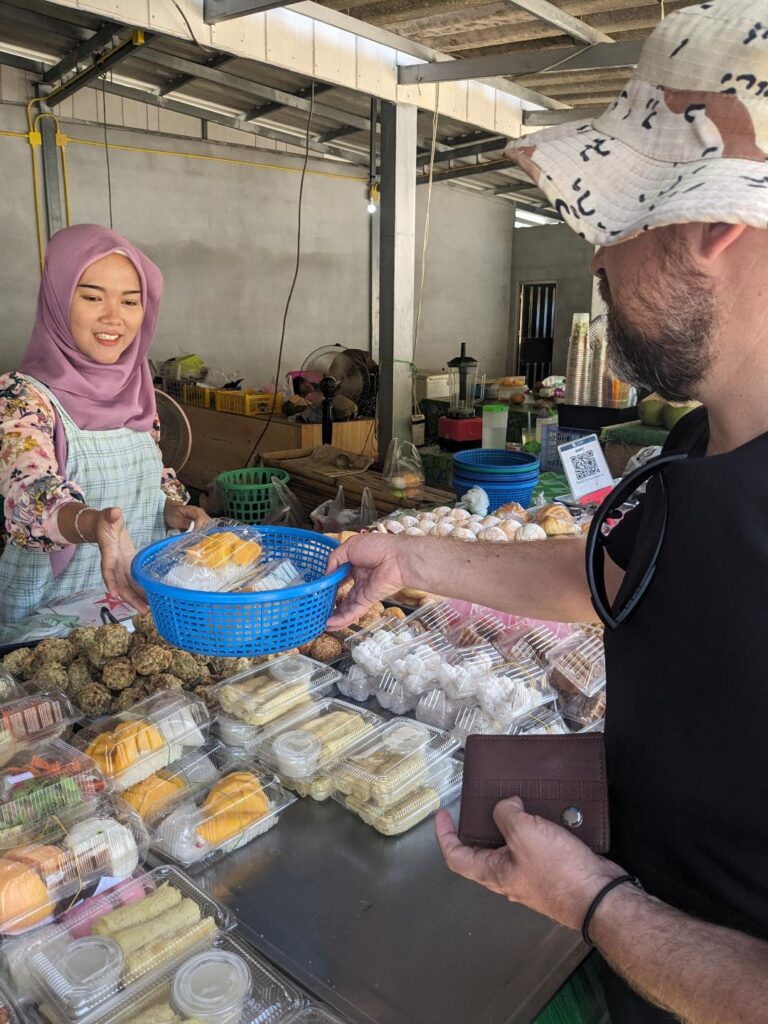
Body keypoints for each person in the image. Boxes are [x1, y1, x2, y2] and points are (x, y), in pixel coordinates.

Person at [328, 2, 768, 1021]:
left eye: (612, 228)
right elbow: (611, 581)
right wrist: (410, 557)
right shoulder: (707, 447)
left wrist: (595, 901)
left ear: (715, 228)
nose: (599, 266)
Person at [0, 224, 209, 622]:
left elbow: (148, 476)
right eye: (93, 297)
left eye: (131, 302)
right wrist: (94, 523)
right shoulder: (22, 397)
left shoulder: (137, 387)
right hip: (47, 621)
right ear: (58, 301)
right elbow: (27, 495)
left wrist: (171, 510)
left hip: (133, 607)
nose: (114, 318)